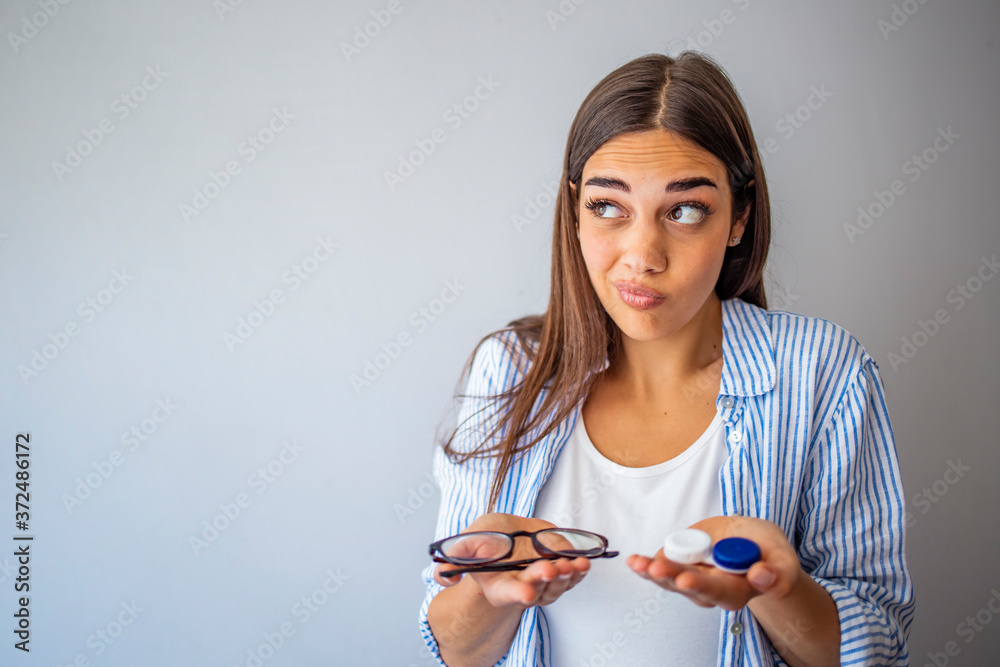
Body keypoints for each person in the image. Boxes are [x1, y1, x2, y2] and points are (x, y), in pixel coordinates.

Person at [417, 51, 914, 667]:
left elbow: (880, 645)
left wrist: (777, 591)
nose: (641, 255)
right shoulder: (508, 371)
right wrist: (494, 595)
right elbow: (455, 651)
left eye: (684, 210)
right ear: (575, 212)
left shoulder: (822, 372)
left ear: (739, 218)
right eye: (608, 207)